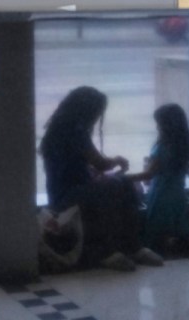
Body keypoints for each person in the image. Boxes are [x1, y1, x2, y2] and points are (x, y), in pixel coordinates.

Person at [40, 86, 163, 271]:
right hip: (70, 195)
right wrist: (117, 161)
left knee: (118, 185)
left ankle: (123, 249)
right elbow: (101, 164)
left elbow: (76, 166)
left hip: (62, 194)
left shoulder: (58, 129)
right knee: (120, 186)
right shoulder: (76, 131)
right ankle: (122, 248)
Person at [131, 104, 189, 257]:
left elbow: (148, 175)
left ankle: (169, 248)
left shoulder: (161, 148)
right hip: (178, 195)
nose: (157, 127)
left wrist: (124, 178)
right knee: (181, 226)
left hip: (161, 196)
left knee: (161, 232)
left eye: (158, 124)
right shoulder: (183, 147)